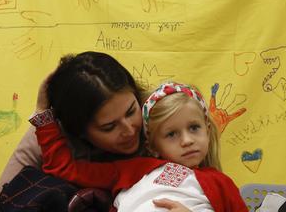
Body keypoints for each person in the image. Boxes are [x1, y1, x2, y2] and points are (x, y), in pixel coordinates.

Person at [31, 81, 247, 212]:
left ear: (207, 130)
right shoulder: (133, 170)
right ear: (152, 145)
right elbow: (64, 169)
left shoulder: (221, 183)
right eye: (171, 134)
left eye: (194, 128)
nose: (187, 140)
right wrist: (43, 116)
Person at [0, 51, 151, 209]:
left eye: (131, 111)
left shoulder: (159, 116)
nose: (129, 130)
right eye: (109, 127)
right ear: (78, 130)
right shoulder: (50, 134)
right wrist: (42, 115)